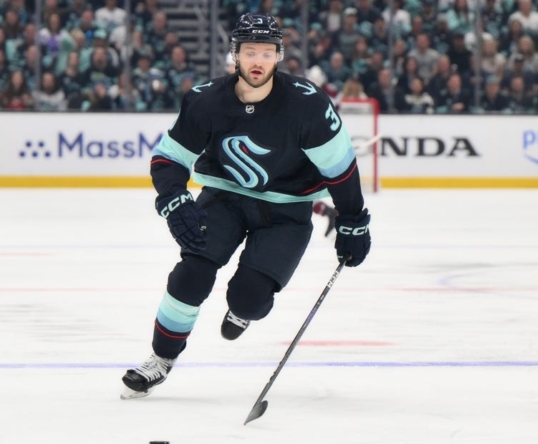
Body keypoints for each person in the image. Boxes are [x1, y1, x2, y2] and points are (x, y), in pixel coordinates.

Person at [121, 13, 372, 399]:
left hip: (287, 212)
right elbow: (169, 158)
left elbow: (340, 167)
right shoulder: (205, 100)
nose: (258, 61)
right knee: (191, 275)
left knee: (249, 298)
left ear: (278, 57)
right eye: (250, 51)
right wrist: (174, 198)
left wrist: (353, 219)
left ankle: (242, 310)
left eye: (267, 53)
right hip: (225, 198)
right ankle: (160, 360)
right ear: (234, 55)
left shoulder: (306, 104)